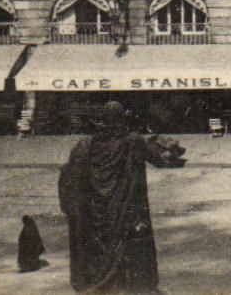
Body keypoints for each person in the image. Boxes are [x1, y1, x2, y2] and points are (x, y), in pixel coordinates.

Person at [58, 101, 181, 295]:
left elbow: (69, 178)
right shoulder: (132, 142)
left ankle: (101, 285)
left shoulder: (83, 146)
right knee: (125, 244)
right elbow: (164, 159)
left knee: (101, 247)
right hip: (124, 209)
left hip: (94, 212)